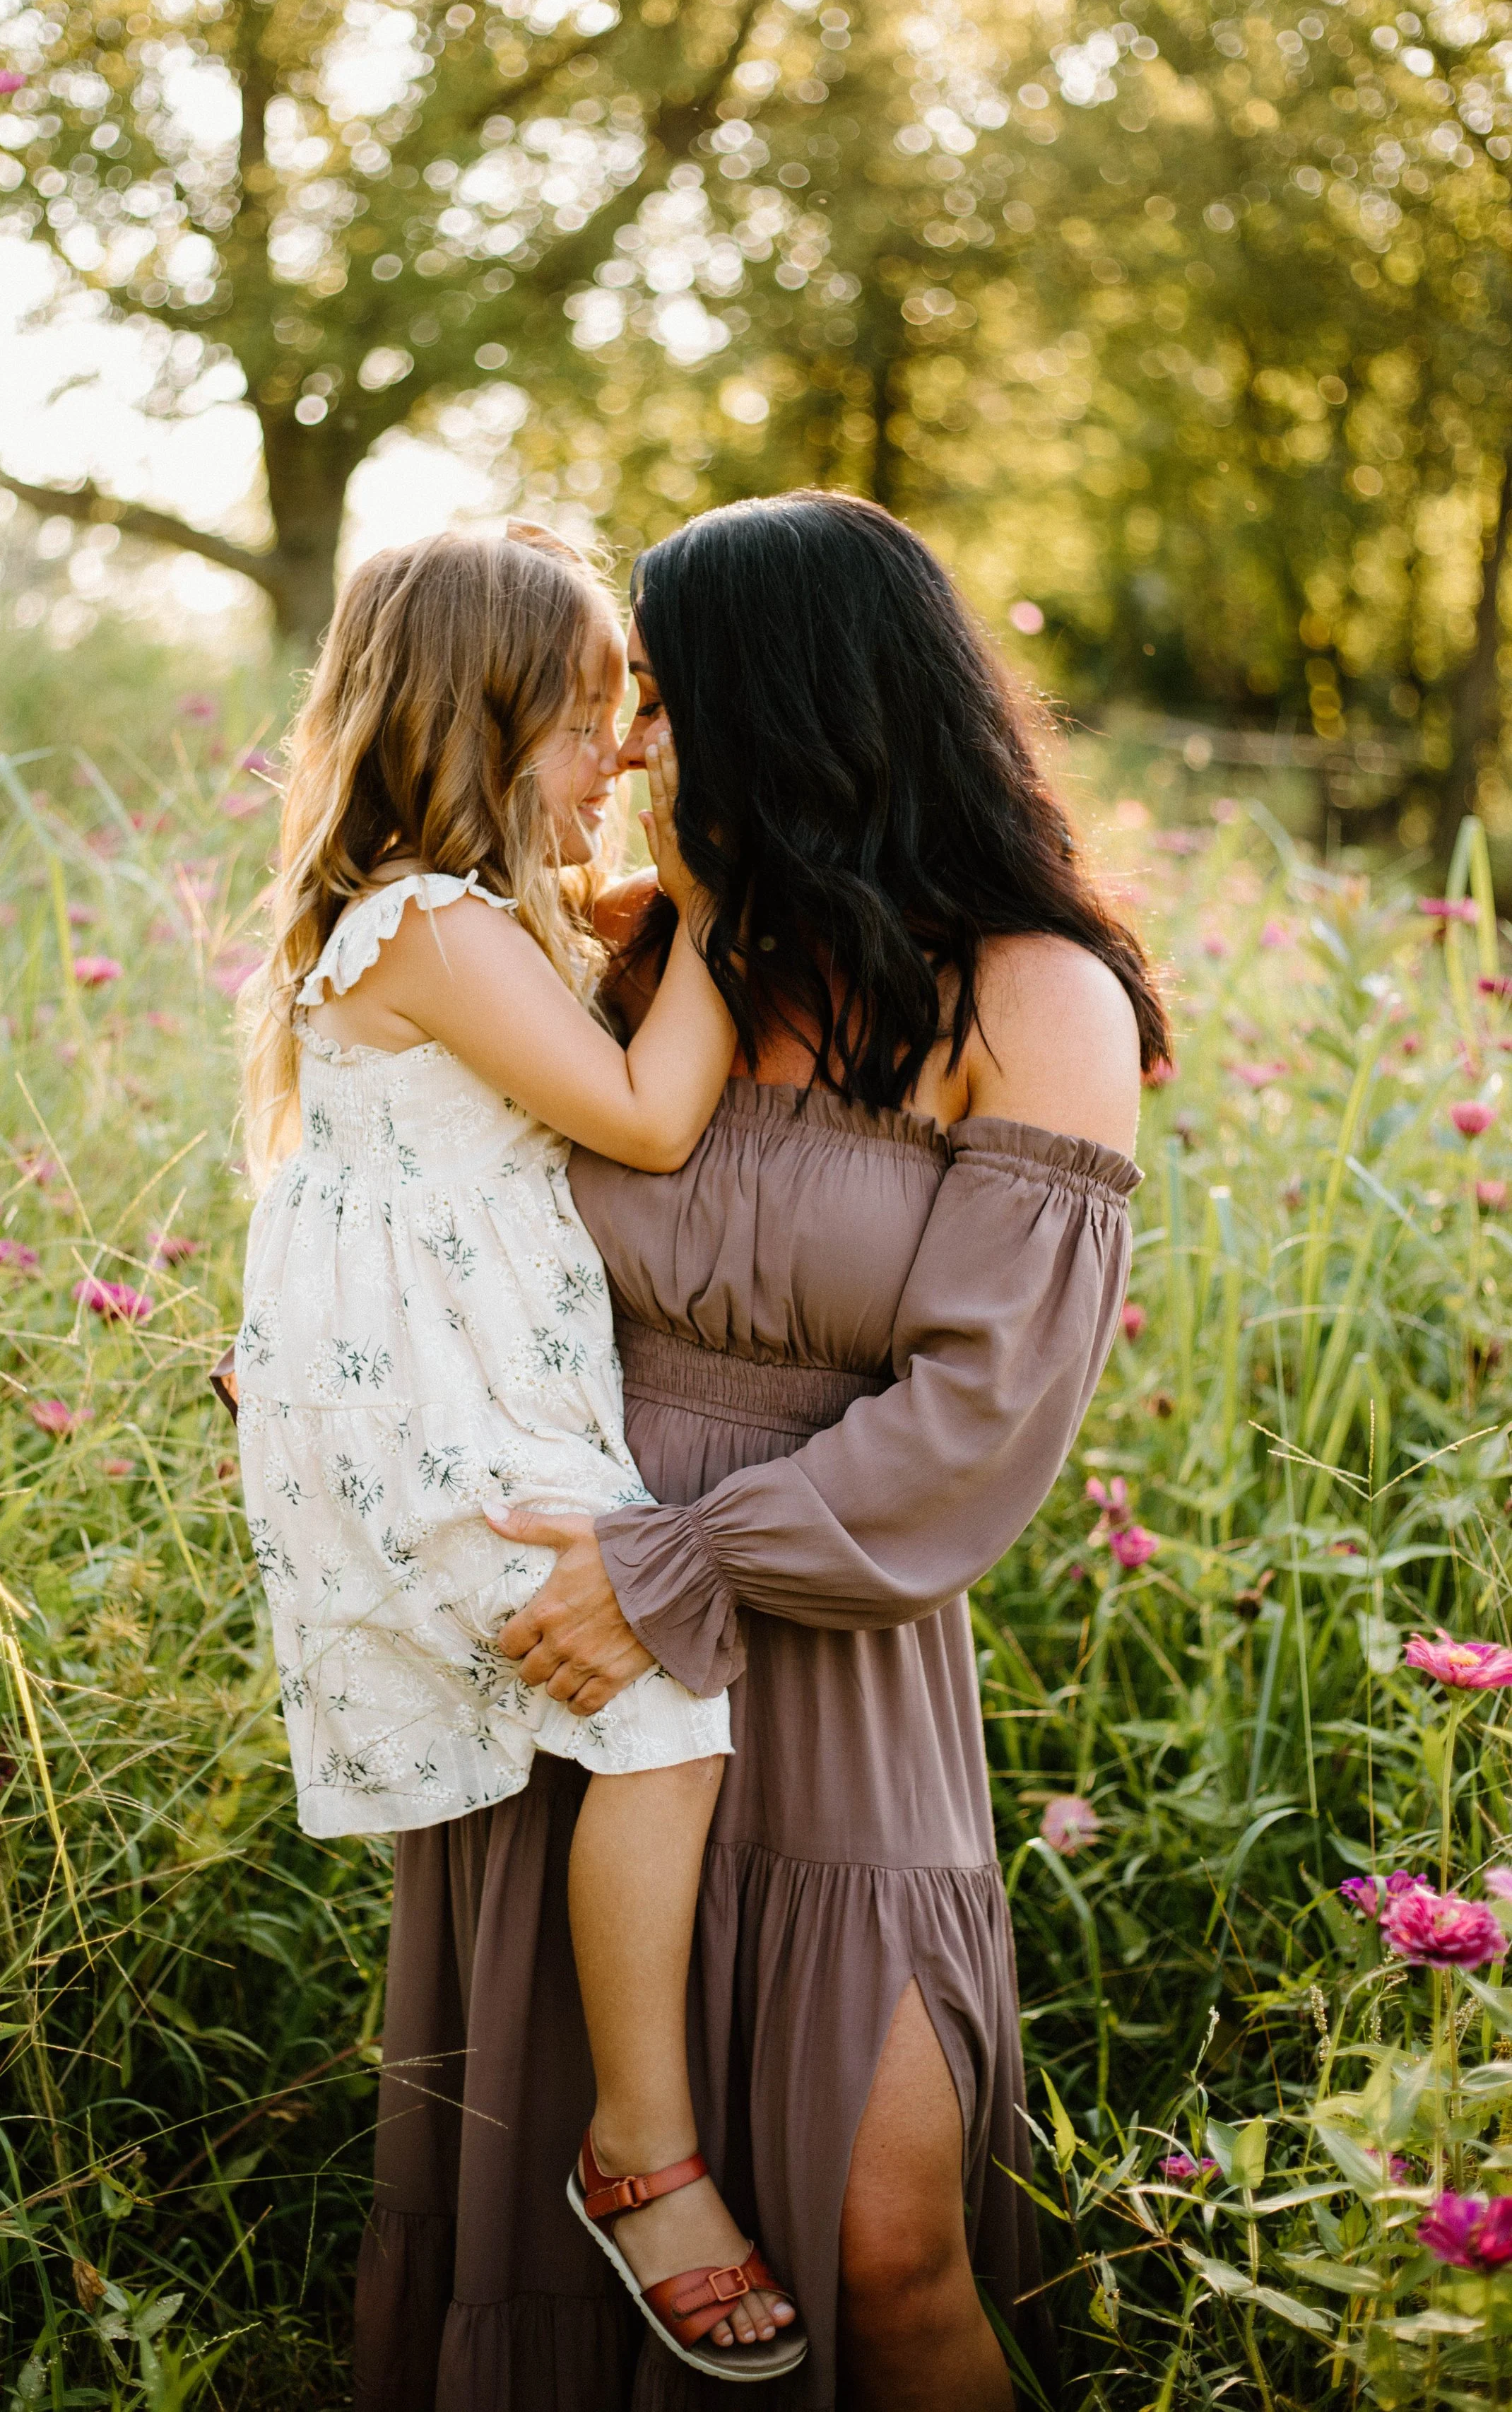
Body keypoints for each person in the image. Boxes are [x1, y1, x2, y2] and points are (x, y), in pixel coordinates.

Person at [354, 491, 1169, 2412]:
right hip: (561, 1638)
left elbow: (983, 1418)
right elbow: (410, 1198)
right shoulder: (635, 964)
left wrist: (678, 1570)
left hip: (811, 1638)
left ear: (793, 709)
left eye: (668, 700)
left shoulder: (1032, 996)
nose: (632, 749)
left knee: (891, 2246)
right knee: (554, 2236)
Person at [234, 524, 807, 2381]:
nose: (627, 756)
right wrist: (724, 900)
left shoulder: (445, 919)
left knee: (634, 1688)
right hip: (429, 1425)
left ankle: (623, 2126)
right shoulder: (430, 925)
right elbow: (645, 1120)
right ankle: (639, 2151)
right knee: (656, 1700)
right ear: (481, 720)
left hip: (444, 1397)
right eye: (589, 718)